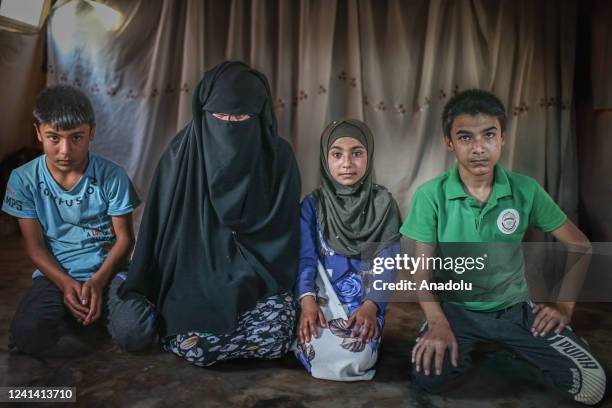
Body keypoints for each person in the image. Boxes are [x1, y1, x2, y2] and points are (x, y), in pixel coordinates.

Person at [401, 89, 608, 405]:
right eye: (466, 137)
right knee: (429, 379)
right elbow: (420, 269)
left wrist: (564, 307)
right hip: (455, 309)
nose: (479, 148)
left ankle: (520, 342)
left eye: (488, 135)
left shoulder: (525, 189)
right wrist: (438, 319)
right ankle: (447, 330)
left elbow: (581, 245)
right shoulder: (431, 195)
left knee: (593, 388)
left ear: (503, 138)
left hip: (515, 310)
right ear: (450, 143)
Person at [119, 61, 301, 367]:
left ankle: (227, 339)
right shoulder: (179, 157)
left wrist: (242, 276)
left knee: (277, 332)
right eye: (219, 116)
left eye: (241, 116)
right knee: (191, 343)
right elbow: (158, 237)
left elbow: (282, 240)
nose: (230, 124)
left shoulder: (278, 160)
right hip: (191, 279)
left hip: (259, 282)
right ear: (203, 114)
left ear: (260, 117)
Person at [3, 85, 156, 355]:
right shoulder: (23, 179)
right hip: (56, 274)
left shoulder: (112, 176)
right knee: (28, 334)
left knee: (136, 333)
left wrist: (97, 281)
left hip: (109, 272)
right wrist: (65, 283)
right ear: (38, 131)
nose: (65, 150)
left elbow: (124, 240)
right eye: (53, 138)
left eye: (76, 138)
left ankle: (93, 314)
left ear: (92, 133)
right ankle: (86, 316)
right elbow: (35, 247)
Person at [294, 118, 401, 381]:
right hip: (322, 293)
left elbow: (387, 261)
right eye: (337, 154)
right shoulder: (312, 204)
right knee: (311, 342)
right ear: (325, 158)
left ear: (369, 155)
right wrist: (307, 302)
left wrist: (371, 307)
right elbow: (305, 258)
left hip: (364, 298)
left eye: (357, 153)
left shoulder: (383, 203)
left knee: (357, 354)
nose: (347, 163)